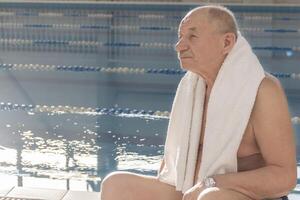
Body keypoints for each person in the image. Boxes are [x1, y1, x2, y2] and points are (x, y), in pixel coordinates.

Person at [100, 5, 297, 200]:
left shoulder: (262, 90)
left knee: (211, 198)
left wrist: (212, 183)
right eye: (180, 37)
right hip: (193, 193)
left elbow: (285, 178)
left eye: (192, 37)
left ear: (227, 42)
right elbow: (172, 165)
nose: (179, 46)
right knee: (116, 185)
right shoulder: (192, 89)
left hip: (239, 196)